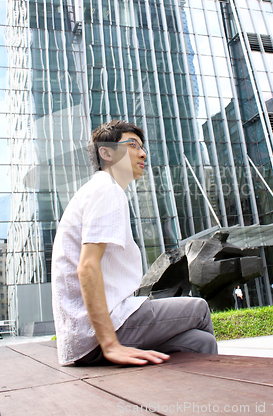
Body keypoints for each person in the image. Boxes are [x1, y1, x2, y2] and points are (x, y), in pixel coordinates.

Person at [52, 120, 218, 366]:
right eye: (132, 145)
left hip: (84, 337)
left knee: (199, 343)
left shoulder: (98, 190)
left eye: (142, 147)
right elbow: (87, 266)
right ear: (106, 153)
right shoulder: (106, 189)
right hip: (100, 332)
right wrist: (110, 344)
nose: (143, 153)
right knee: (199, 308)